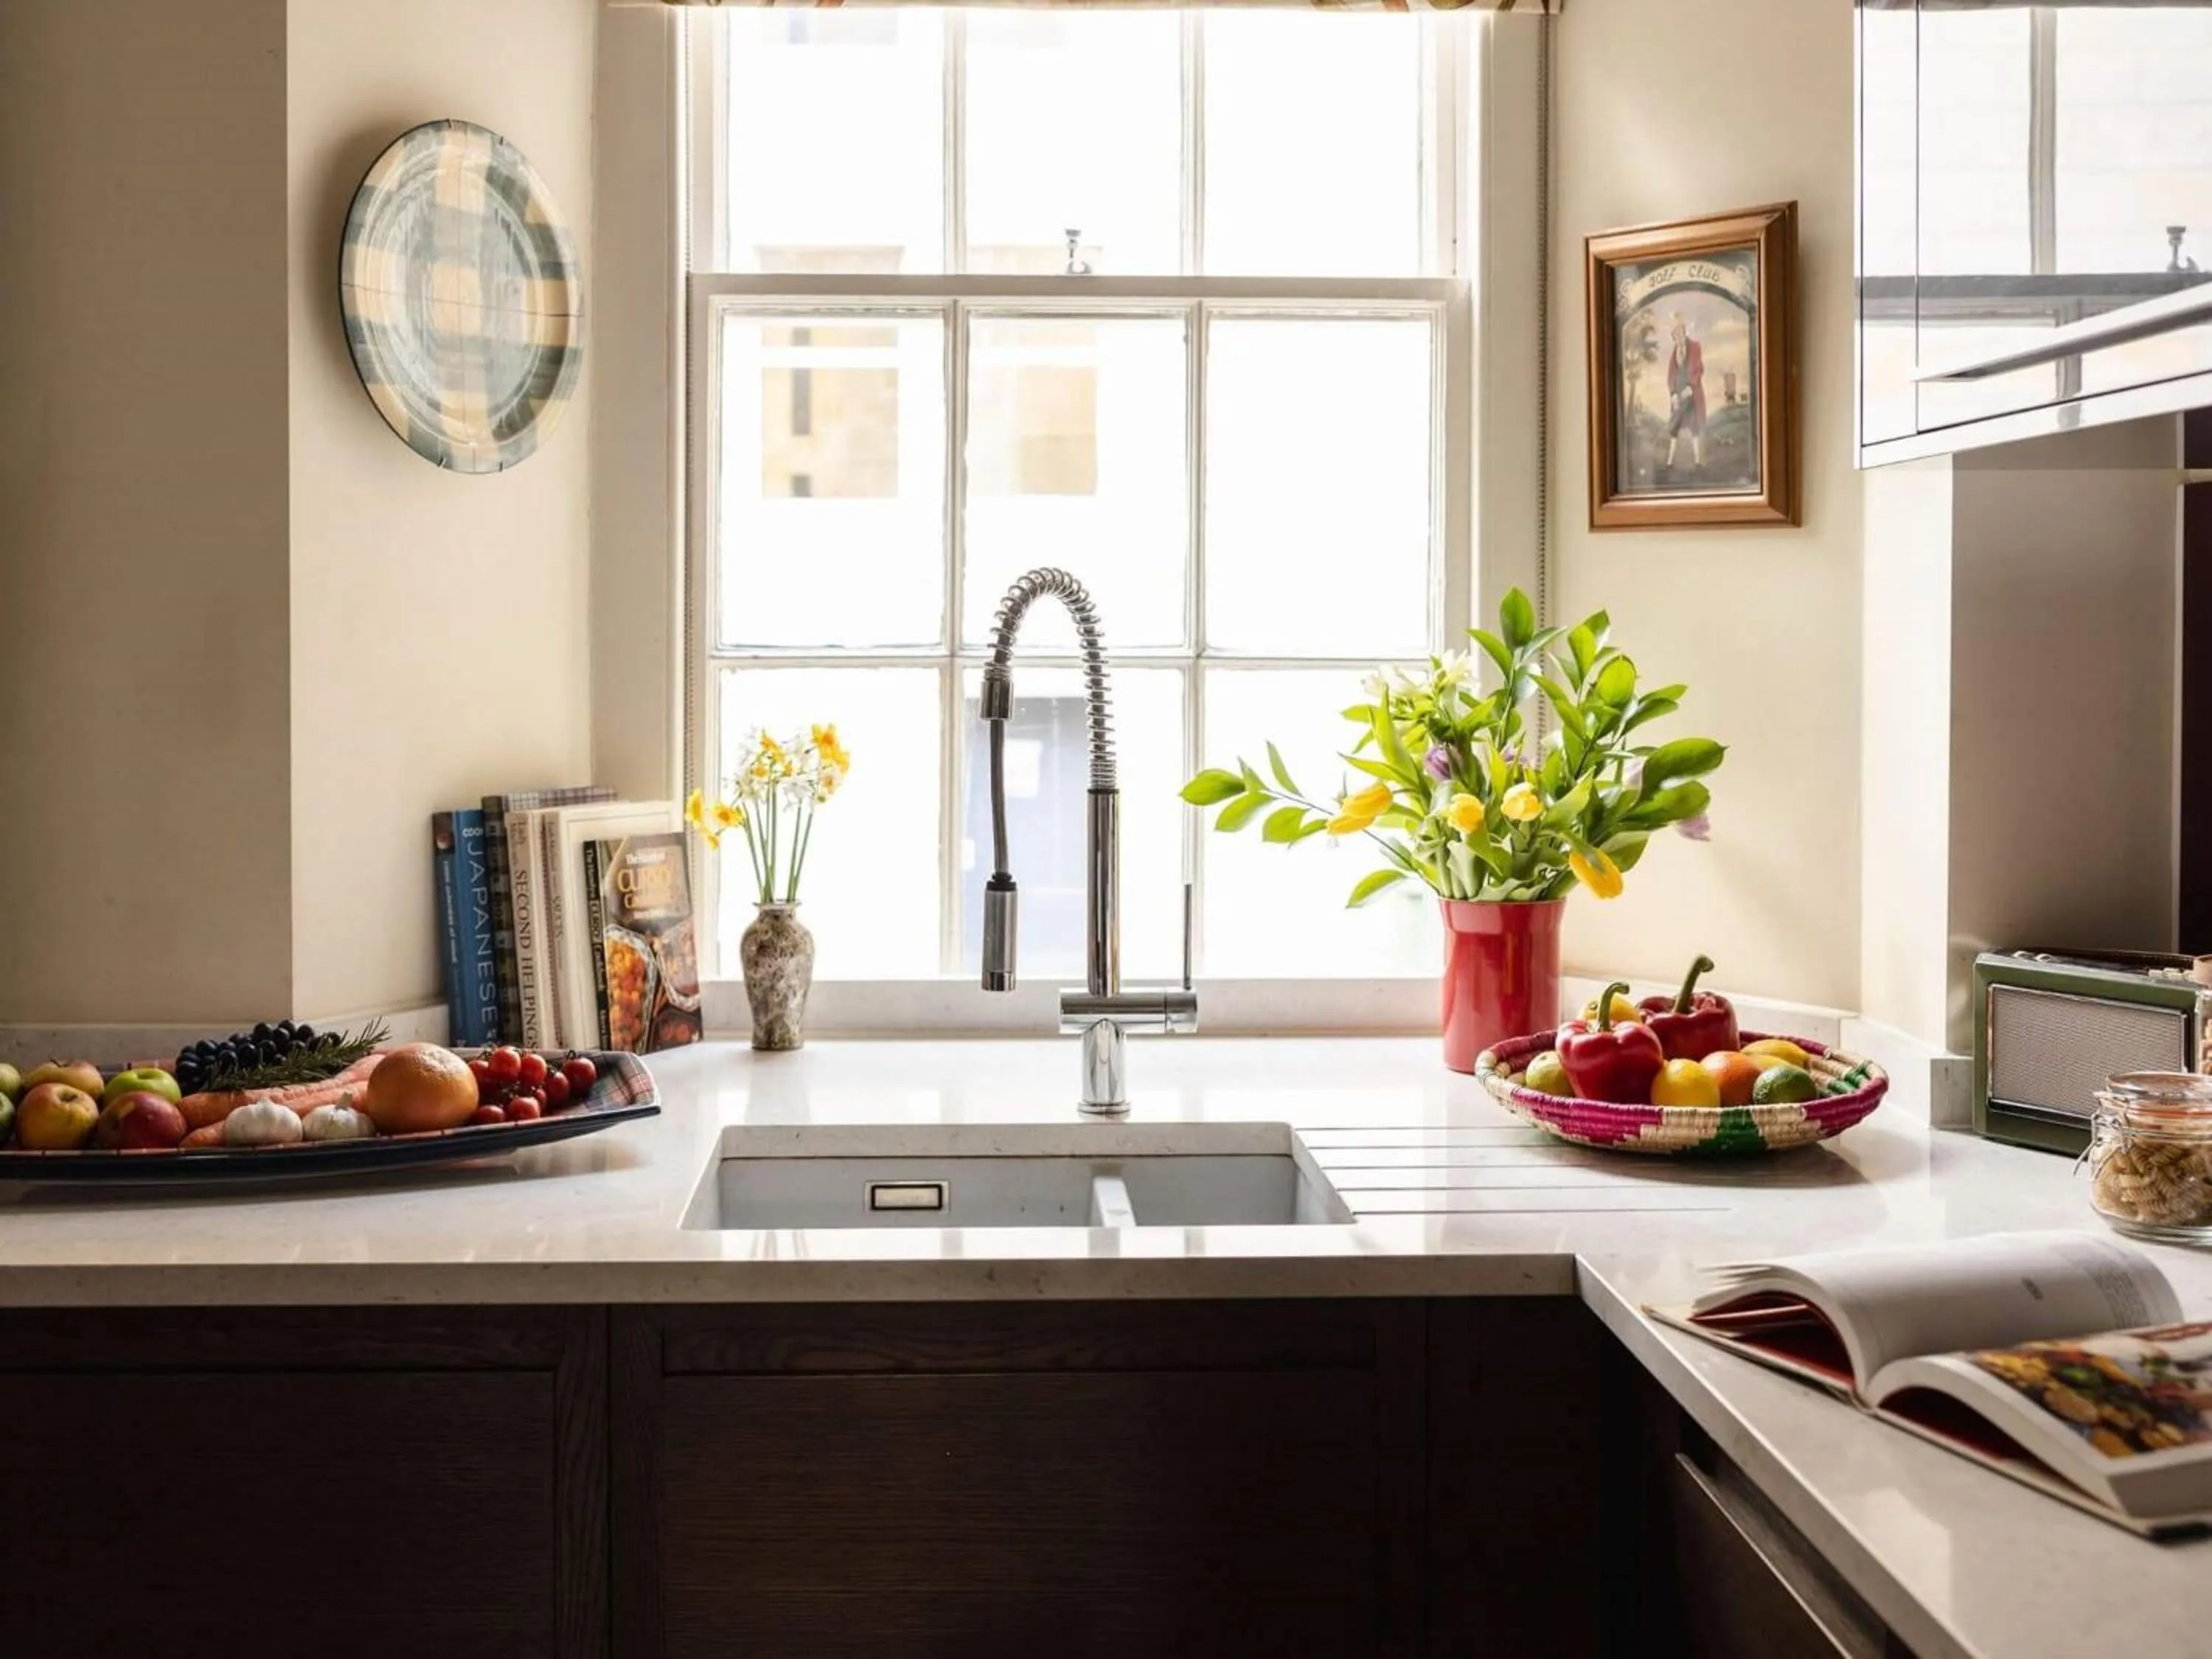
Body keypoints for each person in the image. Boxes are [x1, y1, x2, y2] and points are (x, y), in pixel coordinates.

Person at [1663, 313, 1705, 471]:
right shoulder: (1673, 355)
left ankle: (1697, 462)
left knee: (1694, 427)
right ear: (1673, 336)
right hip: (1678, 396)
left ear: (1684, 331)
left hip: (1692, 394)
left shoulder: (1695, 347)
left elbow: (1699, 369)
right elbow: (1670, 376)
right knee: (1674, 427)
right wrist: (1673, 394)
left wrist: (1691, 386)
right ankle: (1669, 462)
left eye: (1680, 331)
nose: (1678, 335)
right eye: (1675, 333)